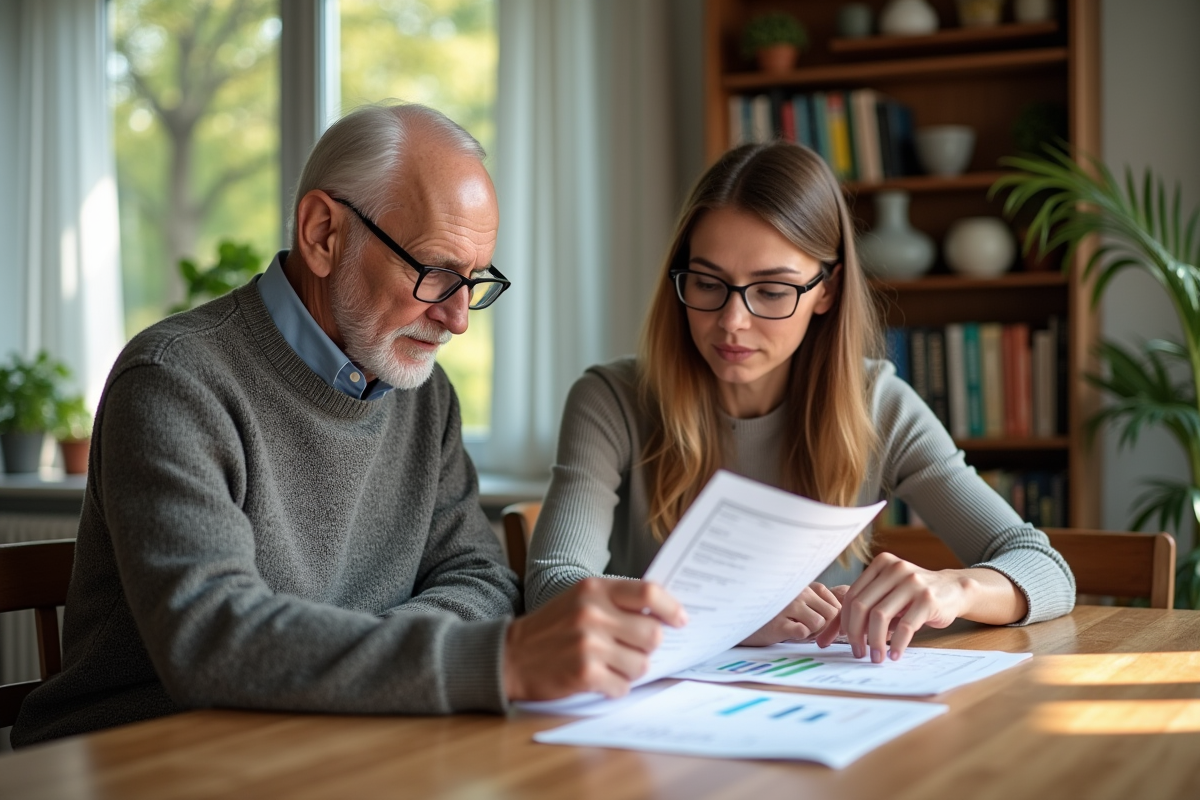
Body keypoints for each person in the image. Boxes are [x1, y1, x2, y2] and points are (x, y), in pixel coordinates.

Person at [12, 103, 683, 747]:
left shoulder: (424, 395)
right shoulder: (174, 379)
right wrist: (490, 660)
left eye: (474, 281)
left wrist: (361, 665)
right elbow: (212, 640)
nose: (458, 318)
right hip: (148, 757)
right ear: (323, 233)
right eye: (435, 272)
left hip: (339, 736)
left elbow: (480, 579)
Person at [526, 141, 1076, 664]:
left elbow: (1046, 569)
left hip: (827, 704)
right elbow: (553, 587)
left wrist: (952, 588)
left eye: (771, 290)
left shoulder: (878, 404)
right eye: (707, 282)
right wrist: (731, 610)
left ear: (827, 291)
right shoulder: (611, 400)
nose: (731, 322)